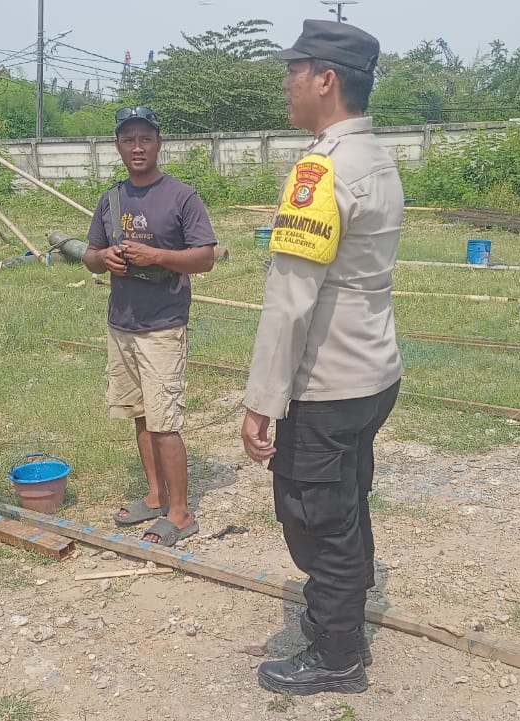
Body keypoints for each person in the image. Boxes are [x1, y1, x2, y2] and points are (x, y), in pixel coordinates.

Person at [240, 20, 404, 695]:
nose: (288, 84)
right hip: (373, 373)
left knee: (318, 519)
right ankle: (339, 619)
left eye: (295, 71)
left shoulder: (324, 168)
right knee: (347, 504)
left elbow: (290, 299)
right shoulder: (380, 159)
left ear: (327, 80)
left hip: (328, 383)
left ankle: (338, 654)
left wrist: (261, 400)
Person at [83, 106, 218, 547]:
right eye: (128, 139)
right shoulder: (111, 198)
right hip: (122, 321)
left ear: (158, 143)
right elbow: (89, 254)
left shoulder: (182, 196)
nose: (137, 147)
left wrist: (156, 256)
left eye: (145, 138)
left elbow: (204, 257)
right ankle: (156, 496)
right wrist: (102, 260)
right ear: (117, 146)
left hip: (162, 323)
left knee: (165, 421)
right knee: (140, 415)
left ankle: (180, 514)